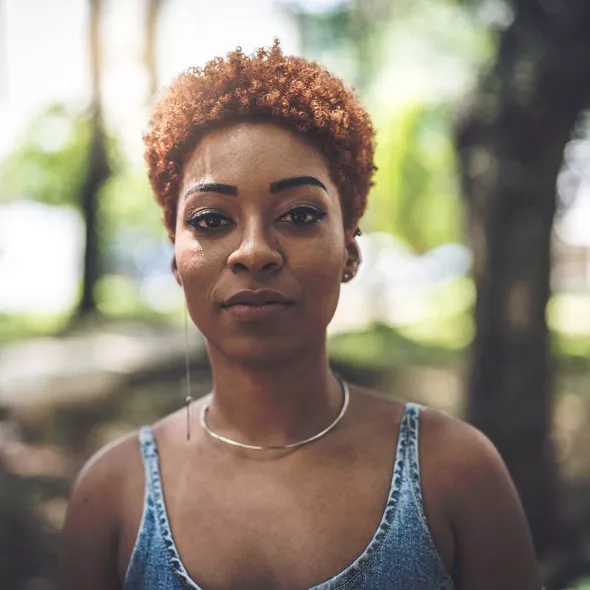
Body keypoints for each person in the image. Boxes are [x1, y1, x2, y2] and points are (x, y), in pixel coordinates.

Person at [58, 41, 540, 590]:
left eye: (300, 214)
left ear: (350, 252)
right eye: (213, 220)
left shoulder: (456, 473)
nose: (254, 251)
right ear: (177, 260)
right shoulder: (112, 494)